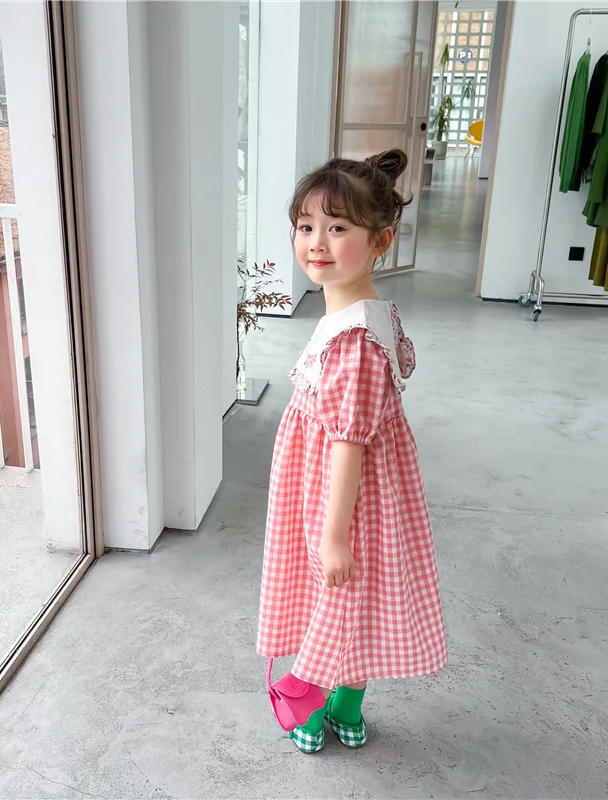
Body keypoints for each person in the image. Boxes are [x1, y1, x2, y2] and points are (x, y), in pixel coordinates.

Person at [256, 149, 447, 754]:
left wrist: (334, 535)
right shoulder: (366, 314)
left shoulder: (354, 344)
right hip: (362, 491)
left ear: (380, 241)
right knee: (355, 602)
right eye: (305, 226)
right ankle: (348, 706)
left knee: (334, 597)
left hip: (343, 498)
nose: (316, 242)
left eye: (338, 228)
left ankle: (310, 708)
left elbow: (348, 443)